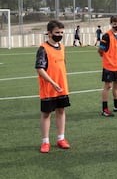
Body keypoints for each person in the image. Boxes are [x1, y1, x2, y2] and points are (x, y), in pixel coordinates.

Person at [35, 20, 71, 153]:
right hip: (49, 88)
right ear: (49, 33)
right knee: (46, 114)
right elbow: (40, 68)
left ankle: (61, 138)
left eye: (61, 32)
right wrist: (52, 82)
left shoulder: (62, 46)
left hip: (62, 87)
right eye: (57, 32)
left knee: (61, 111)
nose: (59, 35)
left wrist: (60, 82)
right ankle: (45, 142)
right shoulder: (43, 49)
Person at [98, 15, 117, 117]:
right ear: (111, 23)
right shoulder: (106, 36)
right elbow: (100, 50)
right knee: (108, 86)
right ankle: (104, 109)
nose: (116, 25)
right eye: (114, 24)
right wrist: (107, 58)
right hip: (109, 66)